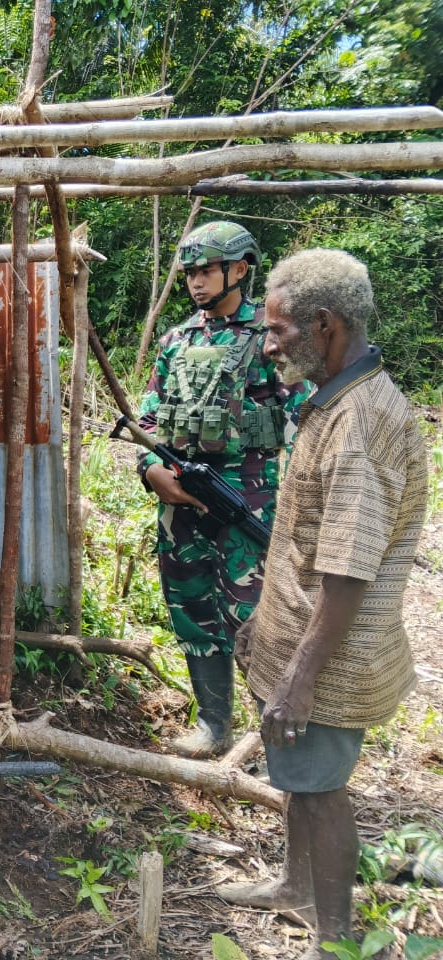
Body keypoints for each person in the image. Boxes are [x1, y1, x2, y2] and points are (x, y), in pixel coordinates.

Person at [216, 249, 427, 956]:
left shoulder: (360, 422)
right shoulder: (335, 399)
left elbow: (346, 570)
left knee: (324, 788)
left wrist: (300, 678)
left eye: (277, 330)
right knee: (300, 780)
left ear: (324, 325)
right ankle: (295, 888)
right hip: (304, 640)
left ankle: (333, 935)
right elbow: (309, 542)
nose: (267, 342)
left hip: (332, 658)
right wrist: (263, 621)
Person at [137, 221, 307, 758]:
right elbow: (147, 416)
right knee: (192, 610)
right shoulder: (178, 340)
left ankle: (272, 743)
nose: (196, 282)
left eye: (206, 270)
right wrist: (149, 469)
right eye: (189, 272)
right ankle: (214, 727)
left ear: (239, 269)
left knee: (256, 621)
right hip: (181, 502)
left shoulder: (274, 337)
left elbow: (306, 412)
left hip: (248, 498)